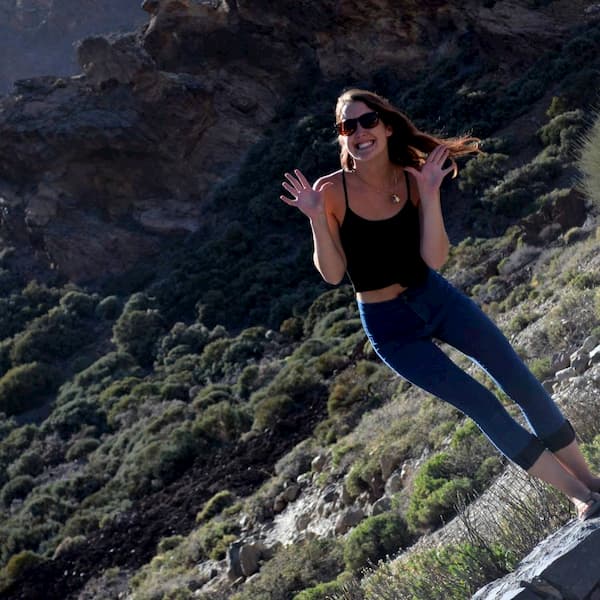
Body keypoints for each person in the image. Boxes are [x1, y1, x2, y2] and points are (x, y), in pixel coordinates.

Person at [280, 88, 600, 521]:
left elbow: (435, 258)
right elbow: (334, 274)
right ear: (343, 138)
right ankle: (577, 495)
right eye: (347, 126)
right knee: (481, 404)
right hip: (390, 327)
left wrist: (429, 193)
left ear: (387, 125)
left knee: (519, 381)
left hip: (436, 297)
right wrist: (317, 217)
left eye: (366, 121)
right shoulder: (331, 192)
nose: (359, 132)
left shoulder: (413, 177)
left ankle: (591, 480)